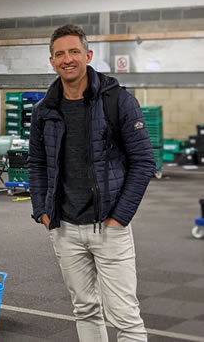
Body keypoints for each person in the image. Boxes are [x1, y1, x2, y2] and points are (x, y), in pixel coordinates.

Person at [29, 24, 155, 342]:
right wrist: (43, 211)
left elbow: (143, 163)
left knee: (125, 316)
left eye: (74, 52)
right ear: (51, 60)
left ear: (88, 55)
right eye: (59, 54)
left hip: (110, 226)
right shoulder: (44, 110)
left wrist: (119, 217)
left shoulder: (118, 101)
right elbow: (37, 164)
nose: (67, 59)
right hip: (65, 227)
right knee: (84, 310)